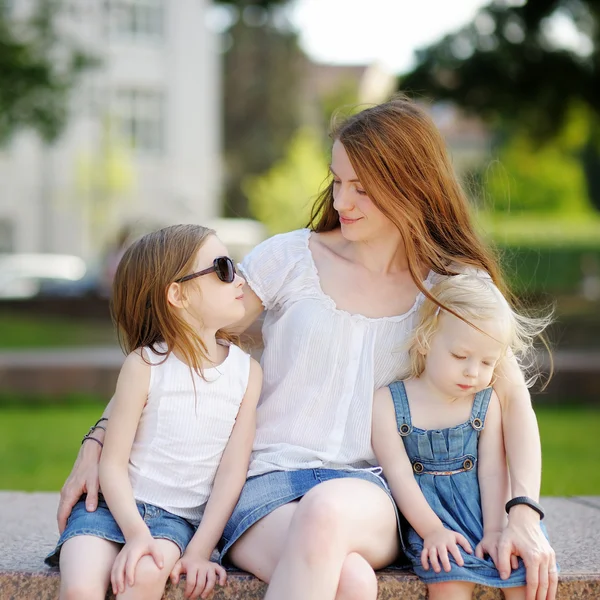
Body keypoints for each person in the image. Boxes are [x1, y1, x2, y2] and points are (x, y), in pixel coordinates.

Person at [56, 96, 558, 600]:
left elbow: (513, 402)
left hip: (373, 491)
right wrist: (100, 439)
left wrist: (523, 513)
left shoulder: (452, 286)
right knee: (351, 581)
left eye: (361, 188)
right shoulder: (291, 257)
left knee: (325, 513)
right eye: (337, 181)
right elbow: (186, 339)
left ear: (411, 184)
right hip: (264, 487)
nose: (342, 202)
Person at [46, 224, 262, 600]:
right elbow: (112, 465)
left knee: (145, 576)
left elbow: (232, 472)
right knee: (80, 586)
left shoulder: (247, 374)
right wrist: (135, 533)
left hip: (175, 524)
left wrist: (198, 550)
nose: (239, 279)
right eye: (224, 269)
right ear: (177, 294)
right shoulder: (143, 365)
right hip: (109, 510)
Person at [372, 273, 553, 600]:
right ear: (426, 341)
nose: (473, 372)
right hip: (433, 519)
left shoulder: (486, 402)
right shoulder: (388, 403)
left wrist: (496, 530)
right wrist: (433, 531)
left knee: (523, 573)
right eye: (461, 356)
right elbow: (398, 475)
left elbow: (494, 470)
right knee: (447, 577)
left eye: (488, 362)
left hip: (491, 512)